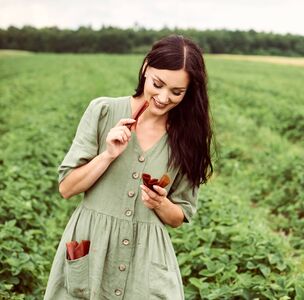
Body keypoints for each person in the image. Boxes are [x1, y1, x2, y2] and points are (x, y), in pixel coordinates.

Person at [43, 35, 213, 299]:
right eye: (158, 84)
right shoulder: (102, 111)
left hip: (147, 260)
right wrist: (107, 155)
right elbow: (67, 188)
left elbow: (180, 216)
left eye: (177, 92)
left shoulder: (188, 137)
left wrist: (161, 204)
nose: (163, 97)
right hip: (92, 249)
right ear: (146, 68)